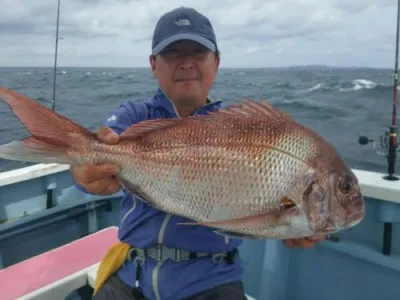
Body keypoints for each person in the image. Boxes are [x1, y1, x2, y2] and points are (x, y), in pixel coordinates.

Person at [71, 6, 325, 300]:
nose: (187, 63)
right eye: (174, 53)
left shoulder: (242, 129)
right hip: (133, 274)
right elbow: (84, 169)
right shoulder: (133, 117)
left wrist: (293, 226)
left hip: (212, 280)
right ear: (154, 64)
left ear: (216, 62)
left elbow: (265, 203)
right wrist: (82, 172)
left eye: (198, 53)